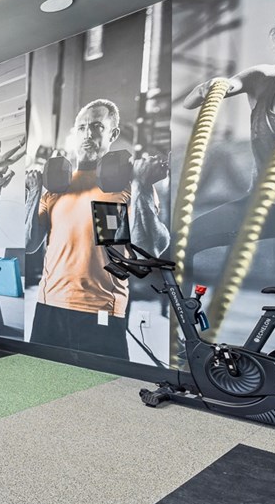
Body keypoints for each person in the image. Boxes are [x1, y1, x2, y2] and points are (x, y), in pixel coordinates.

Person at [181, 0, 275, 283]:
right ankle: (184, 310)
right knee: (181, 243)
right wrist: (214, 86)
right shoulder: (263, 79)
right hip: (271, 206)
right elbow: (190, 102)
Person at [26, 99, 169, 359]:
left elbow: (150, 249)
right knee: (42, 376)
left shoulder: (129, 186)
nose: (87, 134)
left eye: (96, 126)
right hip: (50, 303)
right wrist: (34, 193)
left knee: (103, 380)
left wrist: (142, 186)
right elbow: (29, 244)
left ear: (113, 134)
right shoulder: (56, 188)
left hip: (101, 307)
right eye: (82, 127)